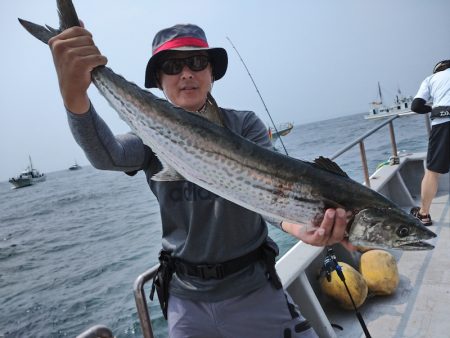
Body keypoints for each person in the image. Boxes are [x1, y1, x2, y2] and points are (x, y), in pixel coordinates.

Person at [48, 22, 352, 338]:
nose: (186, 73)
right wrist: (73, 95)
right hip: (185, 300)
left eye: (197, 62)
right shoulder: (149, 137)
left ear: (211, 73)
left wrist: (300, 226)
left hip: (254, 289)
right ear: (159, 80)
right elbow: (106, 155)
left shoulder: (244, 125)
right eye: (172, 66)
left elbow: (271, 194)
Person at [410, 60, 450, 226]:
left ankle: (424, 214)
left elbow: (416, 106)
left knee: (432, 171)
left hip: (442, 125)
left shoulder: (430, 79)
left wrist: (431, 109)